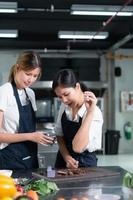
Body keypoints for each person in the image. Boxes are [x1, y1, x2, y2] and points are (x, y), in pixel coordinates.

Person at [0, 51, 54, 170]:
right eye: (28, 74)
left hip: (30, 157)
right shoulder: (4, 92)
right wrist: (31, 136)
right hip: (9, 159)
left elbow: (29, 128)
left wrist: (40, 137)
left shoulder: (30, 94)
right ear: (18, 68)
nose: (31, 80)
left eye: (35, 76)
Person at [52, 69, 103, 169]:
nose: (64, 100)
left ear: (77, 87)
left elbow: (78, 147)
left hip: (85, 164)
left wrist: (90, 112)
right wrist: (66, 157)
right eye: (60, 97)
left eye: (66, 94)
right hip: (63, 160)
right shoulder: (64, 106)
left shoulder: (94, 112)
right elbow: (59, 135)